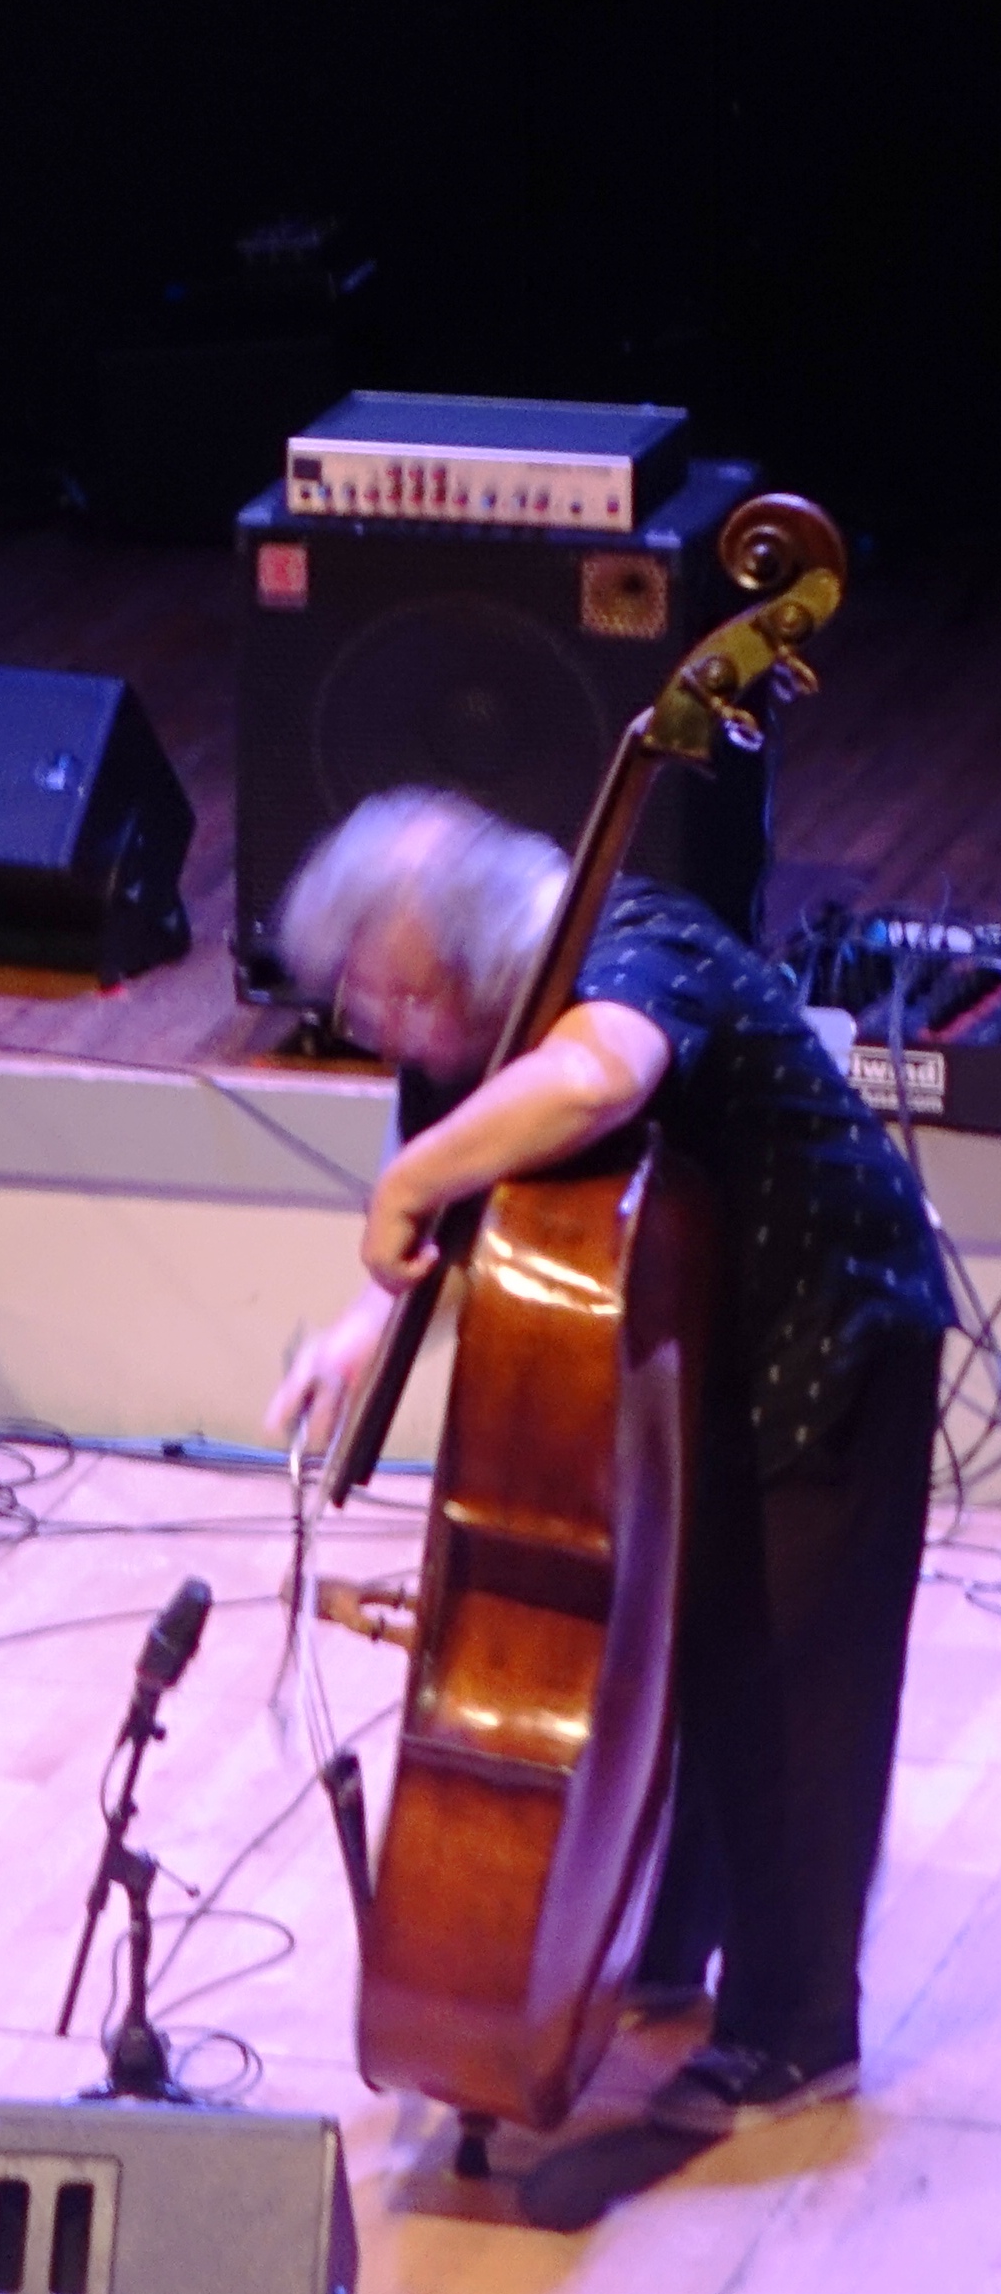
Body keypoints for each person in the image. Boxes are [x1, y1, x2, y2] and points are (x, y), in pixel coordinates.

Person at [261, 788, 954, 2138]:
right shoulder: (475, 1021)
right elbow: (466, 1197)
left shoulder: (639, 946)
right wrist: (367, 1324)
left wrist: (398, 1190)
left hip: (829, 1323)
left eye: (396, 999)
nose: (386, 1030)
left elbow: (594, 1079)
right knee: (694, 1644)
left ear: (471, 958)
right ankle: (665, 1942)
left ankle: (791, 2031)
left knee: (790, 1684)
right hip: (691, 1338)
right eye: (360, 1004)